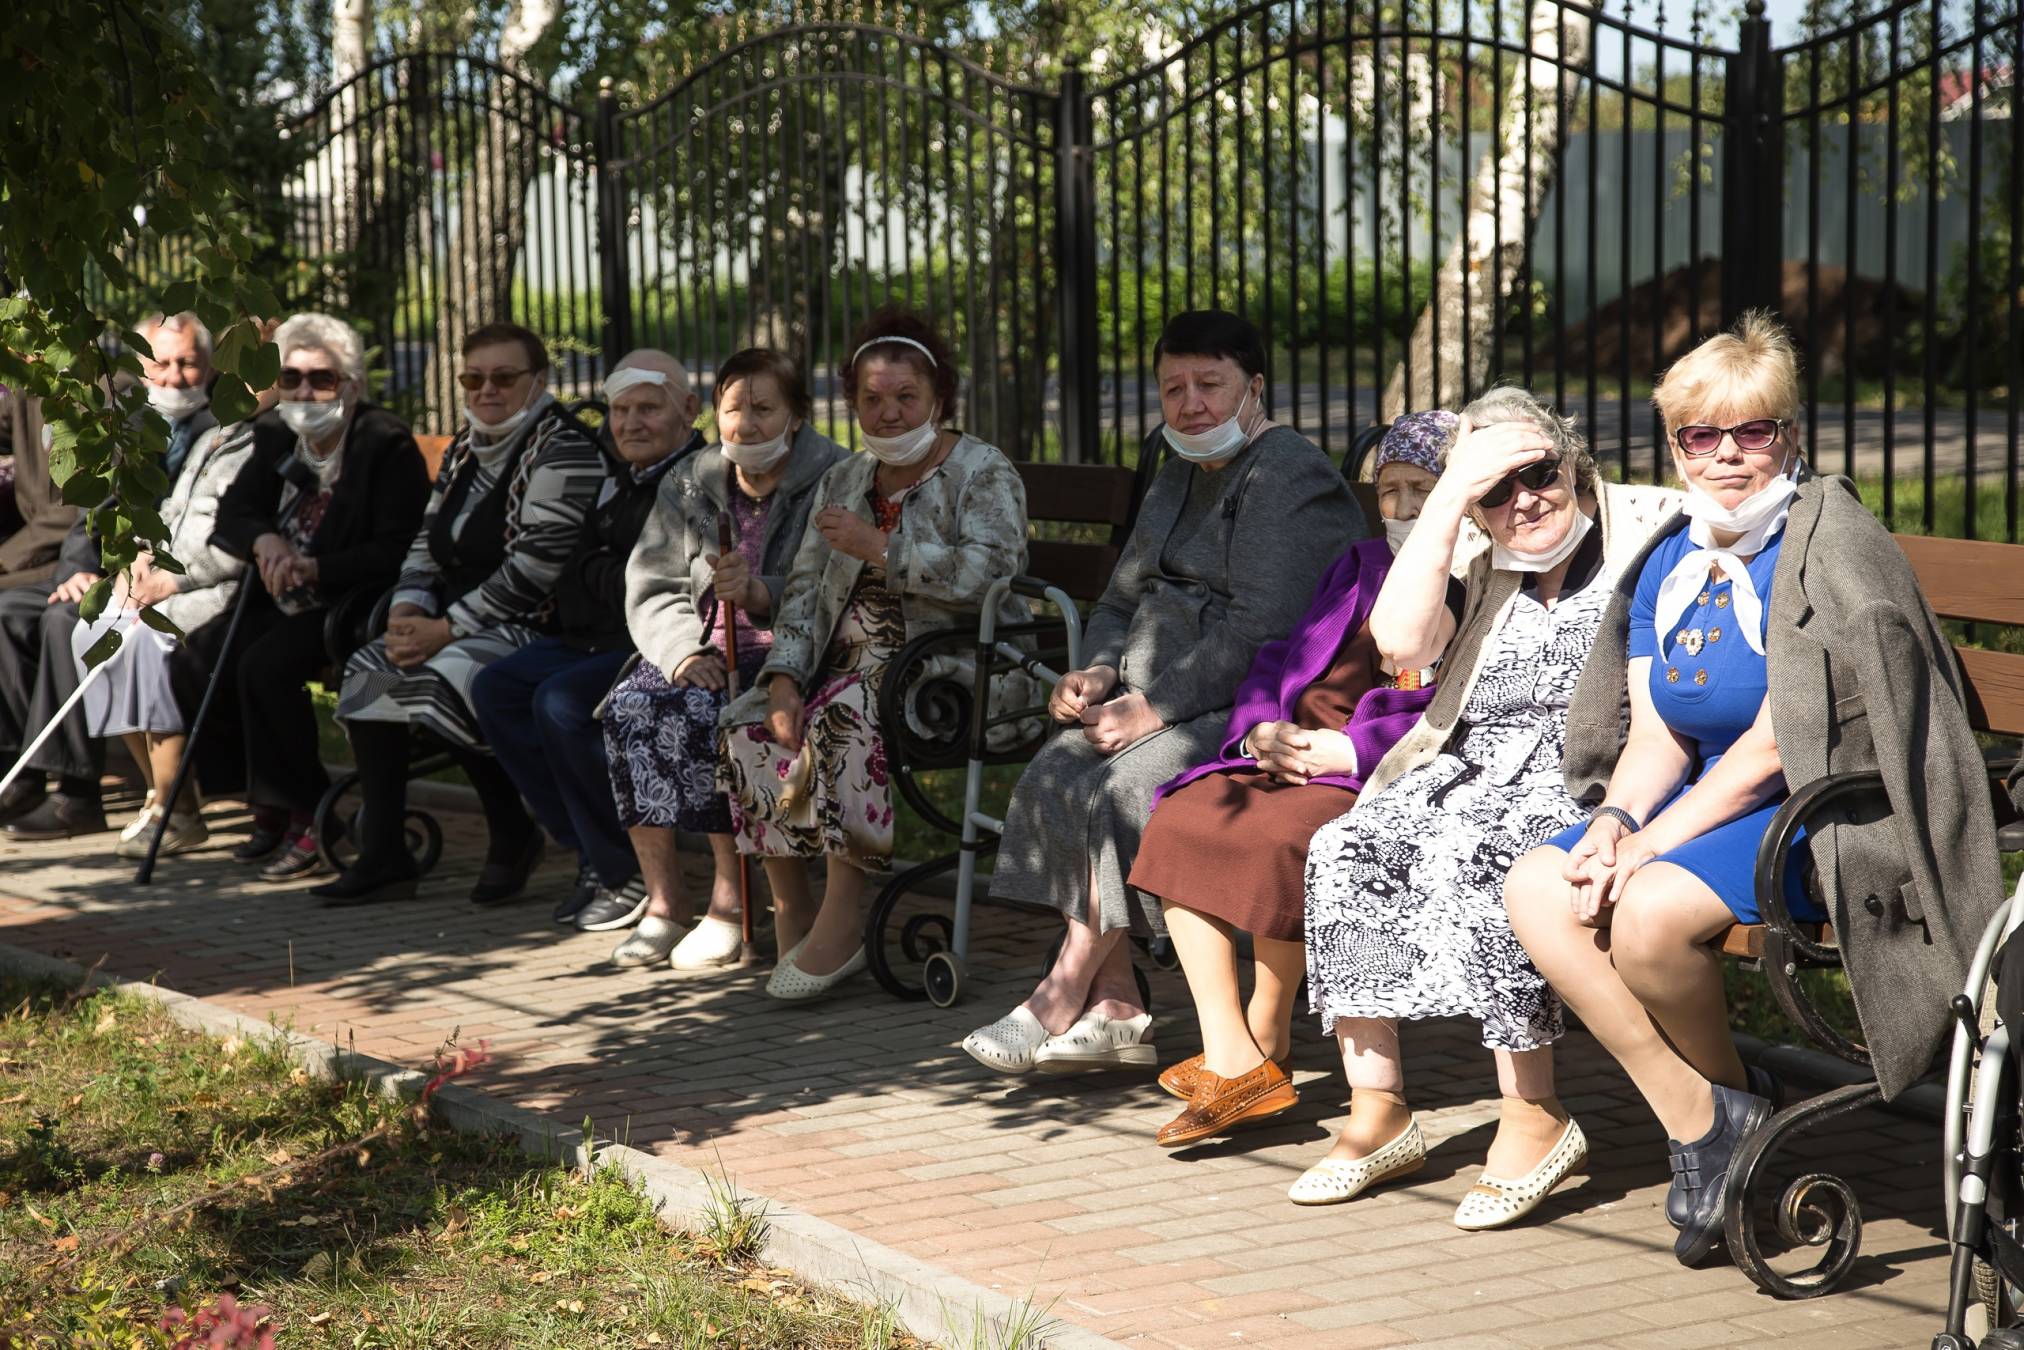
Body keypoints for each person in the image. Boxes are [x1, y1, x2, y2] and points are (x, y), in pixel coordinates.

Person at [1503, 313, 2007, 1265]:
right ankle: (1708, 1115)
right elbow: (1655, 728)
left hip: (1826, 810)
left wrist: (1652, 845)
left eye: (1754, 431)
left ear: (1790, 434)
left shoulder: (1825, 544)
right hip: (1709, 801)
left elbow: (1780, 749)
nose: (1728, 455)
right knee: (1539, 883)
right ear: (1675, 446)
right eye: (1703, 435)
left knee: (1646, 914)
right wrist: (1617, 816)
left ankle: (1725, 1123)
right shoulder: (1672, 557)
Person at [1289, 388, 1679, 1230]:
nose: (1523, 502)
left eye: (1537, 475)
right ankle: (1379, 1108)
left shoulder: (1642, 536)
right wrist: (1448, 499)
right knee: (1349, 845)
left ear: (1575, 467)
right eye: (1495, 491)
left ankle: (1534, 1111)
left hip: (1584, 783)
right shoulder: (1479, 559)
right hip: (1466, 770)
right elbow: (1398, 648)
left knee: (1484, 855)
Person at [962, 309, 1363, 1076]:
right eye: (1173, 388)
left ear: (1255, 389)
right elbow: (1120, 596)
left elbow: (1261, 630)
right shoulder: (1176, 465)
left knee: (1126, 787)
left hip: (1256, 701)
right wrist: (1101, 672)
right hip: (1157, 687)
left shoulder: (1287, 474)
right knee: (1057, 772)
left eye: (1210, 384)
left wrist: (1148, 709)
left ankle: (1060, 989)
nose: (1191, 404)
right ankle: (1118, 1004)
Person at [1128, 411, 1464, 1146]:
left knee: (1279, 839)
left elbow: (1453, 713)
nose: (1404, 509)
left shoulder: (1473, 579)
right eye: (1391, 491)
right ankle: (1239, 1051)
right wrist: (1256, 729)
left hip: (1368, 770)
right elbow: (1281, 653)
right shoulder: (1360, 561)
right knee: (1183, 818)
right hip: (1285, 748)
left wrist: (1347, 753)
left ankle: (1261, 1040)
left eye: (1422, 491)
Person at [717, 307, 1030, 1001]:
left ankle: (844, 915)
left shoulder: (982, 471)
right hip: (848, 669)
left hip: (956, 672)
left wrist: (881, 550)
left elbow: (992, 575)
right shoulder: (846, 479)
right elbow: (801, 594)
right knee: (747, 723)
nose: (888, 414)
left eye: (905, 398)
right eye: (872, 400)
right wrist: (783, 678)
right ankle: (796, 905)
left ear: (939, 400)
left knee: (847, 715)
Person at [313, 322, 605, 907]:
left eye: (504, 377)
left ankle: (510, 829)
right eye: (474, 378)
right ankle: (385, 856)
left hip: (540, 621)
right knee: (372, 666)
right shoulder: (469, 446)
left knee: (452, 673)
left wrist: (444, 629)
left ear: (539, 381)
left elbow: (535, 569)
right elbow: (425, 540)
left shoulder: (563, 446)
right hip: (459, 617)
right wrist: (405, 612)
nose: (486, 390)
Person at [603, 348, 846, 970]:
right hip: (706, 645)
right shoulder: (693, 477)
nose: (748, 424)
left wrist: (760, 592)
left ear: (796, 415)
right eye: (733, 409)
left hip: (796, 654)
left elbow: (828, 586)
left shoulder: (836, 475)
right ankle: (664, 902)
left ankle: (730, 901)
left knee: (713, 715)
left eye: (765, 409)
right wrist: (682, 652)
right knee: (634, 705)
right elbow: (652, 582)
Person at [469, 350, 706, 929]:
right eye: (620, 410)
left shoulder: (698, 477)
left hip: (655, 647)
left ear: (689, 411)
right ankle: (591, 851)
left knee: (561, 703)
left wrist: (604, 570)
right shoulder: (615, 473)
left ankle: (622, 868)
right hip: (591, 636)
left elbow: (658, 582)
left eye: (648, 408)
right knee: (496, 687)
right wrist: (607, 570)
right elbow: (575, 574)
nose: (629, 423)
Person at [211, 312, 429, 880]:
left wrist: (313, 564)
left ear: (351, 385)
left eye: (321, 379)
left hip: (353, 603)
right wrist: (265, 543)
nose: (304, 390)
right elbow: (232, 513)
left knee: (264, 666)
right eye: (290, 377)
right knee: (205, 651)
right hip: (287, 594)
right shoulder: (278, 433)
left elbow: (397, 549)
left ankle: (313, 813)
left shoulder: (384, 443)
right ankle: (271, 802)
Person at [0, 312, 218, 841]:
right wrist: (80, 571)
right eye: (160, 363)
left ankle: (79, 793)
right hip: (109, 572)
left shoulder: (220, 431)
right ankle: (19, 769)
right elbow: (95, 508)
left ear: (210, 369)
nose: (172, 376)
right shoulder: (133, 423)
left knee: (63, 622)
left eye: (187, 364)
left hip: (173, 583)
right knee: (8, 613)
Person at [65, 383, 276, 856]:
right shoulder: (216, 435)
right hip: (168, 577)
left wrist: (172, 583)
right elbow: (172, 516)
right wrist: (139, 561)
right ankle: (161, 790)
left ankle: (174, 808)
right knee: (95, 630)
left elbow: (240, 540)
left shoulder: (270, 440)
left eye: (257, 376)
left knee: (145, 643)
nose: (243, 388)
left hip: (217, 590)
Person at [0, 390, 80, 591]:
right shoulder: (34, 388)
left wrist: (6, 557)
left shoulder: (107, 390)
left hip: (68, 556)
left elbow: (76, 508)